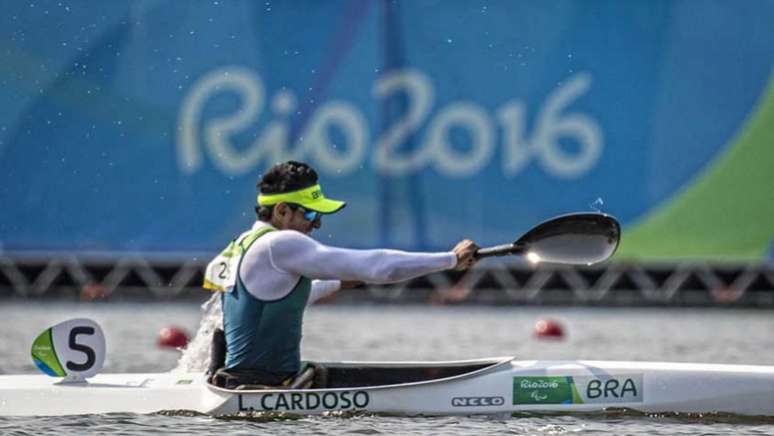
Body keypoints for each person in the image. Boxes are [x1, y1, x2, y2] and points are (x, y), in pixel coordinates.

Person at [204, 161, 479, 389]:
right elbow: (377, 266)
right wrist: (450, 259)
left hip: (239, 383)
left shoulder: (242, 244)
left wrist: (337, 282)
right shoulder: (280, 244)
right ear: (282, 211)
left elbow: (267, 306)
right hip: (262, 390)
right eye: (310, 213)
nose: (317, 223)